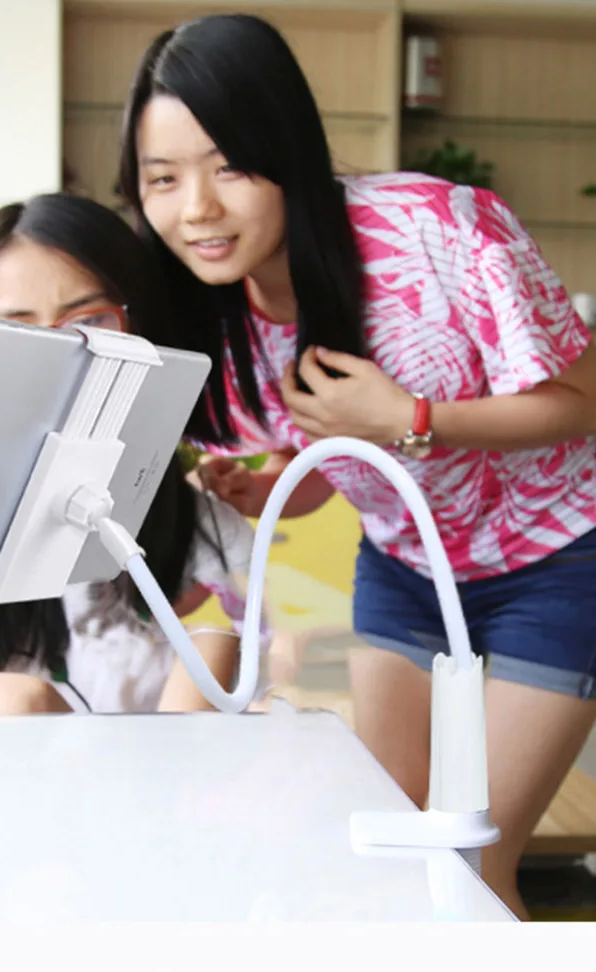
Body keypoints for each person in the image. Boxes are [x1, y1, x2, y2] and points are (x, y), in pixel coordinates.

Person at [117, 12, 596, 919]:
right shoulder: (211, 305)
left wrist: (412, 420)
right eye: (163, 178)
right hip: (406, 569)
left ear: (287, 150)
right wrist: (277, 487)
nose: (197, 209)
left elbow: (585, 399)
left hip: (559, 560)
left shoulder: (438, 227)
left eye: (229, 166)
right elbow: (342, 453)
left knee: (468, 863)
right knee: (391, 851)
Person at [0, 192, 265, 716]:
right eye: (19, 330)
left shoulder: (209, 535)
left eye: (90, 322)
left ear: (143, 326)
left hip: (155, 770)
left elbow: (205, 736)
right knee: (0, 702)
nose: (61, 357)